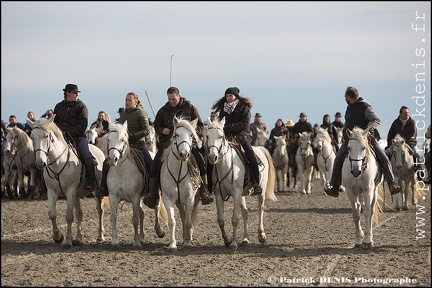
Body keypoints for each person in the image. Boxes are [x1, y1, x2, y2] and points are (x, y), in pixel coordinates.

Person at [324, 86, 402, 197]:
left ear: (349, 97)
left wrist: (368, 129)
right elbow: (348, 122)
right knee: (338, 159)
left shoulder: (365, 107)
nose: (345, 99)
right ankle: (334, 187)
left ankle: (392, 184)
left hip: (366, 139)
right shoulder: (349, 107)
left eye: (345, 97)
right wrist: (346, 129)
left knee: (384, 158)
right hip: (351, 139)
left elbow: (376, 120)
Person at [143, 87, 214, 209]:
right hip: (168, 143)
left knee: (201, 161)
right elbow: (157, 125)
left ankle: (204, 191)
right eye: (169, 99)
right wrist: (161, 130)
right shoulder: (163, 110)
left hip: (188, 143)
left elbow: (201, 126)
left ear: (179, 96)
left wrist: (190, 131)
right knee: (155, 163)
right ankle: (153, 194)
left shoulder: (190, 108)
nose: (171, 101)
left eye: (173, 99)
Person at [207, 86, 263, 196]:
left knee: (250, 154)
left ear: (236, 96)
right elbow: (221, 123)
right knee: (211, 155)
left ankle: (256, 183)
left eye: (230, 96)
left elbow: (244, 124)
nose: (228, 98)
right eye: (227, 96)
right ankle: (209, 185)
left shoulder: (244, 108)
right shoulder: (223, 109)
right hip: (226, 136)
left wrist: (227, 128)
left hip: (242, 136)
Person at [99, 92, 154, 197]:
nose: (127, 102)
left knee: (150, 165)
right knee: (107, 163)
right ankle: (104, 188)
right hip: (124, 145)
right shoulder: (123, 114)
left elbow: (146, 130)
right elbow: (119, 127)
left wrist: (133, 136)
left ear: (136, 101)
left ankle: (151, 191)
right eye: (126, 100)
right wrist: (109, 125)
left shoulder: (141, 113)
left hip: (138, 144)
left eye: (130, 100)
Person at [53, 84, 96, 192]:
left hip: (77, 137)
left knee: (86, 154)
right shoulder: (58, 106)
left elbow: (83, 125)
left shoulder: (81, 106)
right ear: (67, 93)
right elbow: (54, 122)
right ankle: (45, 183)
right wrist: (58, 133)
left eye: (77, 93)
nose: (77, 95)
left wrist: (68, 134)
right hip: (60, 137)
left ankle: (91, 179)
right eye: (75, 93)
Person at [386, 106, 422, 180]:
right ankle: (386, 171)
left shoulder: (412, 122)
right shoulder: (395, 123)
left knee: (416, 153)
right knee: (386, 153)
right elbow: (390, 134)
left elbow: (413, 134)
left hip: (409, 144)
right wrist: (390, 145)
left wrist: (403, 141)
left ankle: (419, 171)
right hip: (396, 145)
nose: (407, 114)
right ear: (400, 114)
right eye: (405, 113)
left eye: (408, 113)